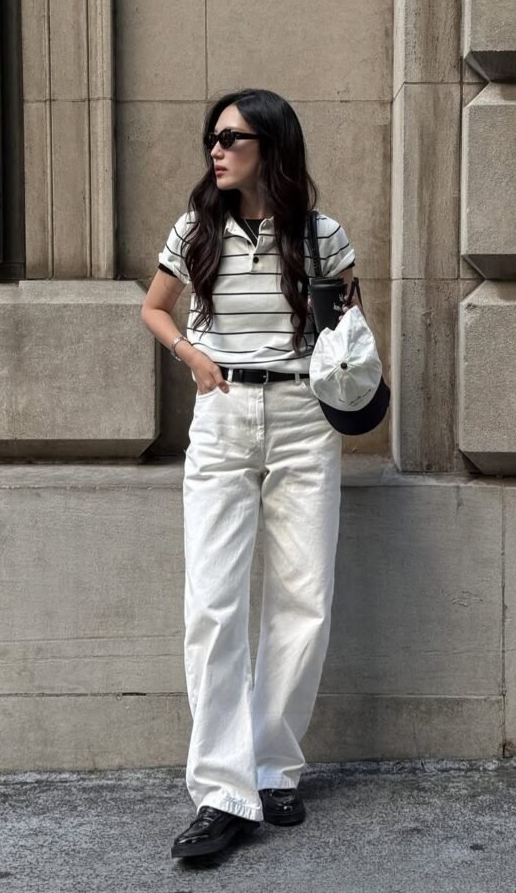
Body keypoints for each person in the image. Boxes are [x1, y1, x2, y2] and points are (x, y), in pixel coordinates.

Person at [140, 88, 358, 860]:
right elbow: (155, 308)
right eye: (213, 136)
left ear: (271, 144)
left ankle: (272, 769)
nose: (217, 148)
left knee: (303, 599)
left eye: (232, 136)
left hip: (303, 420)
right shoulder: (195, 227)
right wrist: (192, 357)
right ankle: (221, 793)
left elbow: (344, 334)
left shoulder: (323, 236)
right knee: (213, 603)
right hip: (223, 412)